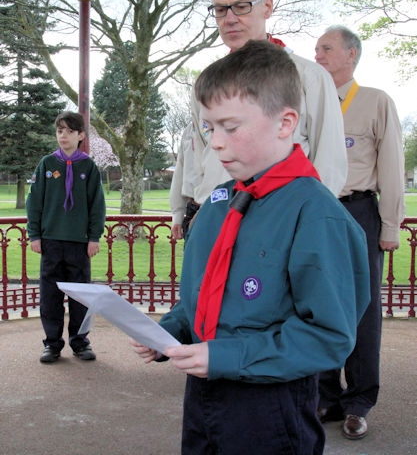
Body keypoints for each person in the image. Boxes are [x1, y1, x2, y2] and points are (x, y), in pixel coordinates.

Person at [132, 40, 370, 455]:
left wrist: (227, 357)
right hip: (203, 398)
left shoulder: (315, 214)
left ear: (285, 123)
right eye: (209, 128)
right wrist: (166, 331)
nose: (216, 143)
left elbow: (329, 336)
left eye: (230, 126)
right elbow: (201, 297)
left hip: (272, 410)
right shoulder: (217, 205)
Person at [170, 0, 347, 239]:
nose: (229, 18)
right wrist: (194, 212)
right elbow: (198, 154)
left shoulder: (309, 77)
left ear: (267, 6)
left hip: (278, 227)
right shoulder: (206, 82)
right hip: (213, 222)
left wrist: (304, 224)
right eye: (220, 9)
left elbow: (329, 164)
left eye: (242, 6)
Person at [315, 26, 405, 440]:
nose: (318, 54)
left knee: (364, 311)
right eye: (316, 48)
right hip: (316, 213)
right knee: (316, 304)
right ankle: (326, 395)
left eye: (326, 48)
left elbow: (391, 167)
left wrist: (389, 224)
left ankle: (359, 402)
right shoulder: (309, 103)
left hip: (360, 212)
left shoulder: (374, 102)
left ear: (351, 54)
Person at [26, 111, 106, 364]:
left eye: (69, 131)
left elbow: (97, 205)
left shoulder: (88, 167)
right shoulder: (47, 164)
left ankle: (80, 342)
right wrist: (35, 235)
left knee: (80, 296)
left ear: (80, 135)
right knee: (50, 296)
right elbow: (34, 202)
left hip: (79, 243)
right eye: (60, 131)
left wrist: (94, 237)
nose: (63, 136)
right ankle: (52, 344)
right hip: (51, 240)